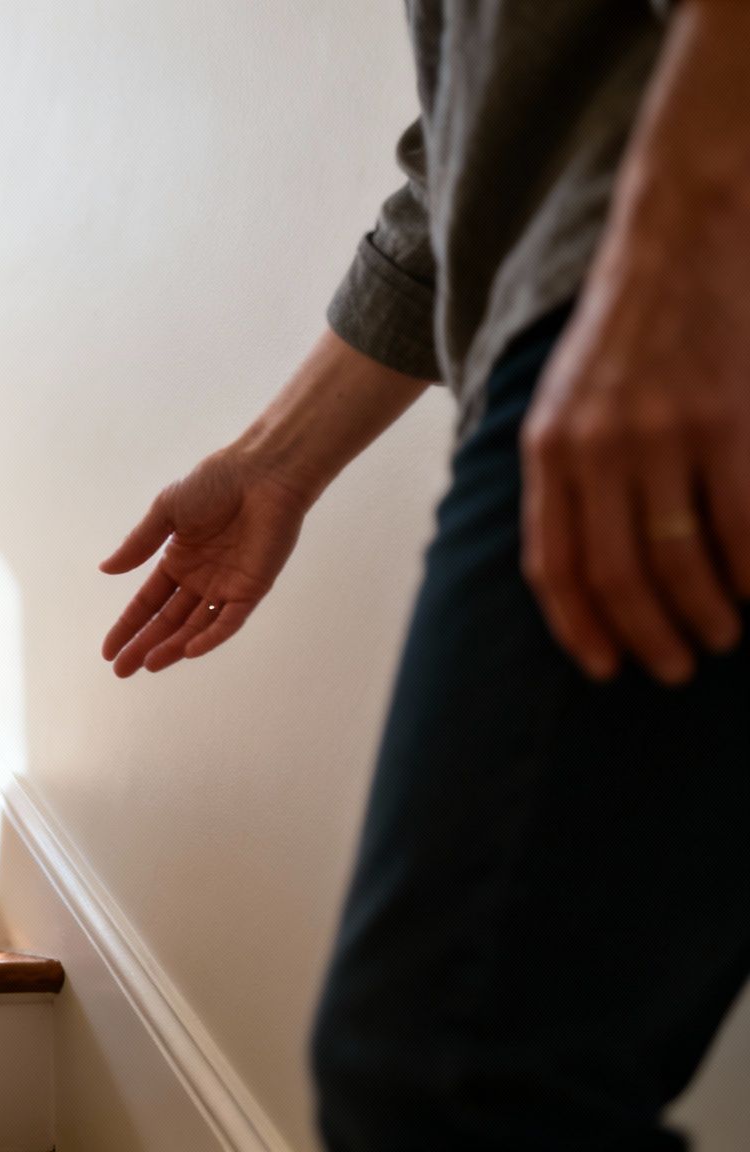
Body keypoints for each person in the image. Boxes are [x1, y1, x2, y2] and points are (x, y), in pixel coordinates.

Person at [98, 2, 750, 1147]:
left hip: (662, 283)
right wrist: (273, 466)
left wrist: (684, 247)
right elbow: (484, 137)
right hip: (625, 266)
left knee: (449, 1078)